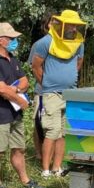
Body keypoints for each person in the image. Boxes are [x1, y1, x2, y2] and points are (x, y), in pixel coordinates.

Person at [31, 10, 86, 178]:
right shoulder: (45, 42)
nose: (74, 28)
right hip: (51, 94)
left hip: (69, 93)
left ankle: (57, 168)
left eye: (76, 25)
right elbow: (35, 66)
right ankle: (45, 170)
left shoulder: (78, 43)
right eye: (70, 24)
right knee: (52, 131)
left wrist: (67, 81)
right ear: (61, 24)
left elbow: (78, 64)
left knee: (63, 133)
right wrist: (47, 84)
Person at [0, 22, 41, 188]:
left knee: (19, 148)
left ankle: (25, 181)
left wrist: (15, 89)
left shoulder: (13, 59)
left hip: (15, 114)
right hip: (1, 114)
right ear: (1, 40)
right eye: (11, 38)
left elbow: (25, 81)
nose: (14, 41)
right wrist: (21, 100)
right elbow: (1, 89)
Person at [28, 12, 53, 160]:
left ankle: (52, 158)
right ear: (47, 24)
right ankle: (38, 154)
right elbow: (34, 67)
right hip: (42, 92)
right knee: (39, 124)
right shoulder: (39, 44)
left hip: (61, 92)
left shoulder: (66, 45)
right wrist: (46, 85)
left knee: (55, 127)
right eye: (53, 21)